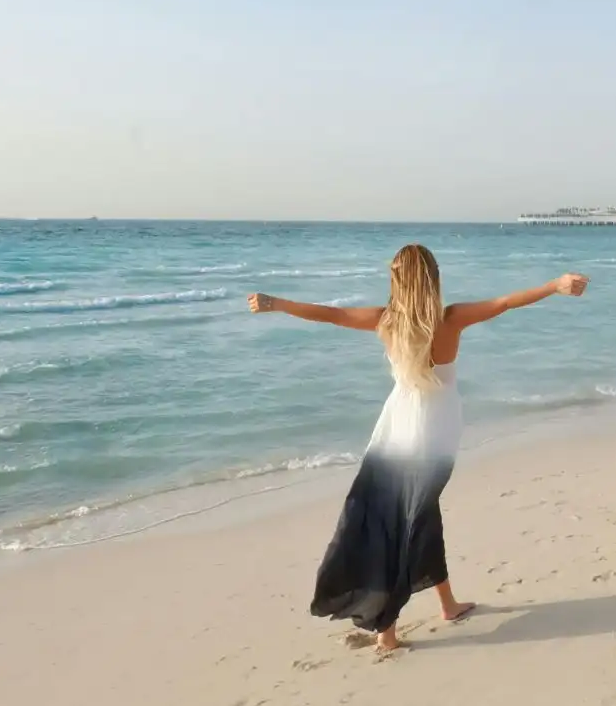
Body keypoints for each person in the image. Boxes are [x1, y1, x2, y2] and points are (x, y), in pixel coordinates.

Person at [247, 244, 588, 653]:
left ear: (396, 280)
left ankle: (445, 604)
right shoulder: (452, 319)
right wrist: (555, 285)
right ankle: (387, 631)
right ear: (433, 278)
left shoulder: (384, 321)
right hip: (434, 439)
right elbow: (505, 303)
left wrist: (276, 303)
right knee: (410, 524)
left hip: (395, 431)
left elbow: (331, 314)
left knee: (410, 518)